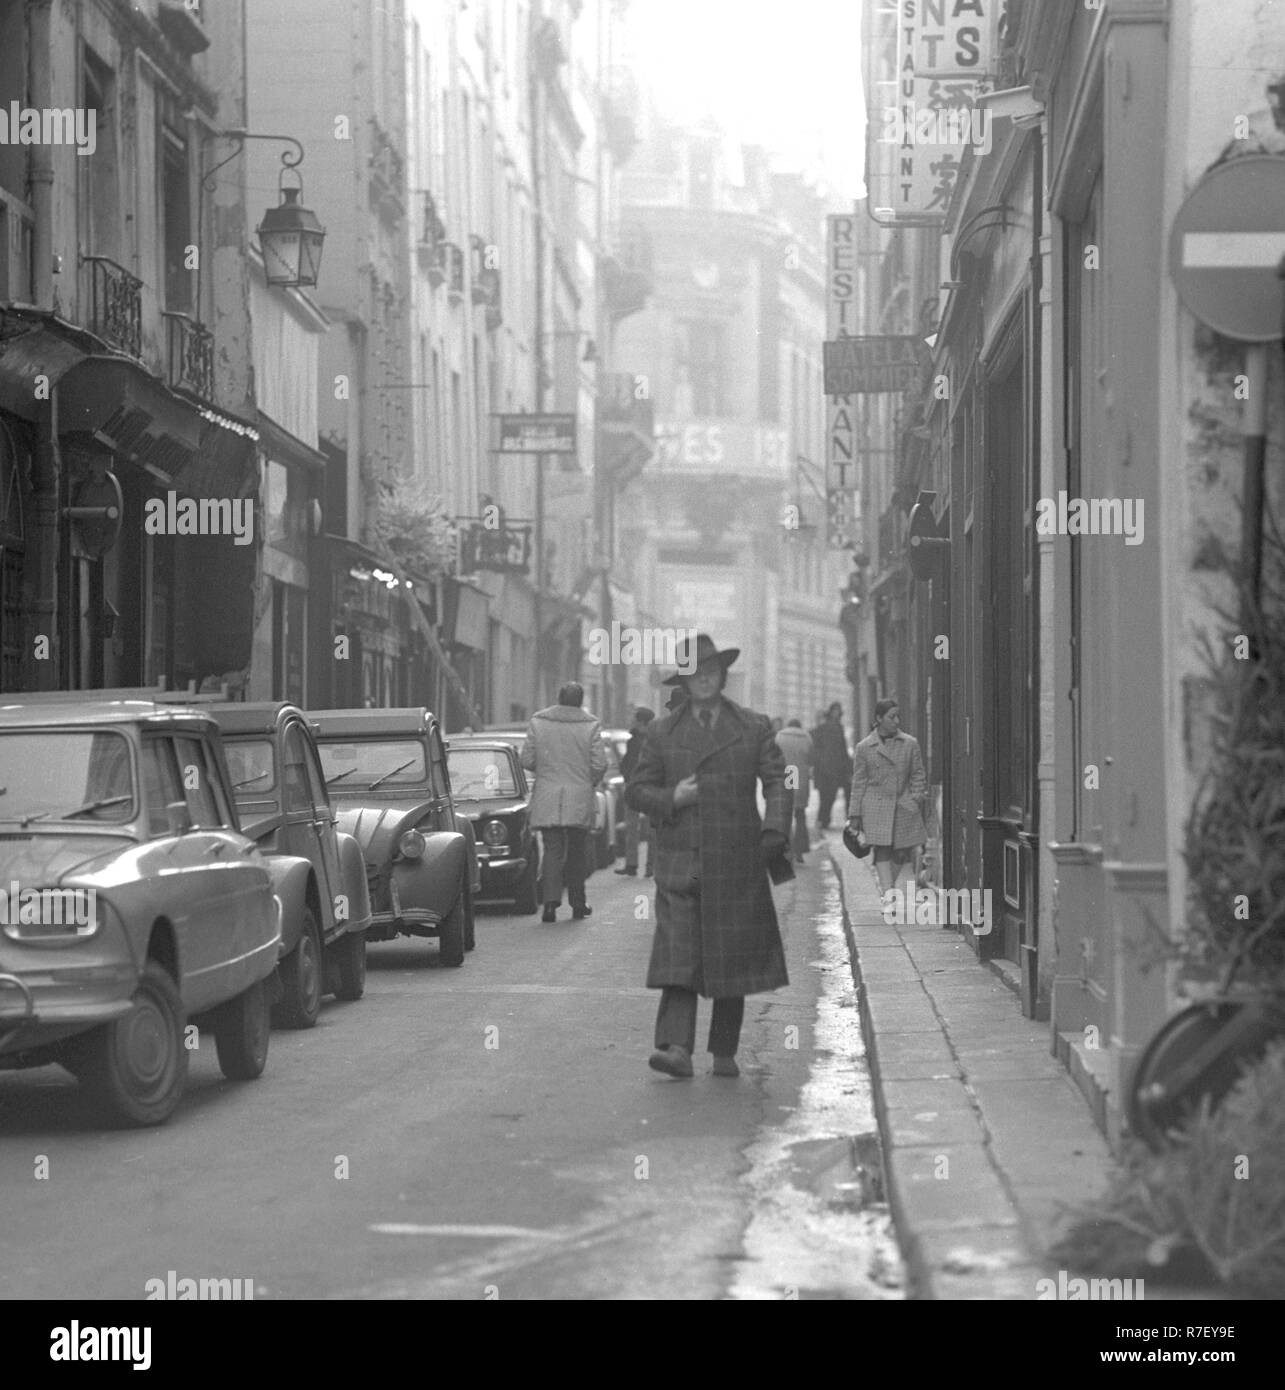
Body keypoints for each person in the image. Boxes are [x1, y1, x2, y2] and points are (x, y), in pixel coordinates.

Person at [627, 633, 792, 1080]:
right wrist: (672, 798)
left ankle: (724, 1051)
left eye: (711, 672)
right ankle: (676, 1049)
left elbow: (778, 781)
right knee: (680, 957)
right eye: (695, 674)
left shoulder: (754, 726)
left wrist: (776, 828)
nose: (704, 680)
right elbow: (637, 791)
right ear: (685, 680)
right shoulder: (662, 732)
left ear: (722, 676)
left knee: (729, 957)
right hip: (682, 862)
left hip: (737, 858)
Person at [521, 681, 607, 923]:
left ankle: (549, 905)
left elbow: (526, 759)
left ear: (558, 698)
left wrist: (546, 771)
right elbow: (600, 763)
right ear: (580, 701)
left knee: (552, 851)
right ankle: (578, 904)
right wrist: (588, 781)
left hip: (548, 795)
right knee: (578, 851)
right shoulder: (590, 725)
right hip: (578, 796)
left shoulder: (539, 722)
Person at [846, 698, 928, 909]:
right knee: (882, 850)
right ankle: (889, 897)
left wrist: (916, 798)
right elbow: (859, 783)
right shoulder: (864, 747)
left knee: (901, 852)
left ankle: (887, 889)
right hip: (875, 806)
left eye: (898, 716)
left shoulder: (910, 743)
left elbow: (918, 774)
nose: (896, 721)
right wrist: (854, 815)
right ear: (879, 719)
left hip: (903, 805)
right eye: (891, 717)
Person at [615, 706, 656, 877]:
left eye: (634, 718)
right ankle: (650, 866)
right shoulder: (655, 739)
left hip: (635, 786)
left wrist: (626, 776)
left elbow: (629, 763)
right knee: (652, 827)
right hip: (650, 786)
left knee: (632, 826)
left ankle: (632, 865)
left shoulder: (636, 741)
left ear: (641, 721)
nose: (632, 720)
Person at [774, 718, 813, 864]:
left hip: (785, 778)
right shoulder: (807, 738)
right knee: (800, 815)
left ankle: (786, 850)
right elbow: (811, 759)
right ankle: (800, 850)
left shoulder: (779, 737)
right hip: (801, 779)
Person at [810, 701, 852, 830]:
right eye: (834, 710)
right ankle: (823, 820)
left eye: (838, 711)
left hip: (835, 768)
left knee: (830, 794)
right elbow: (815, 747)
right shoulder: (822, 728)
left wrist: (848, 764)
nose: (836, 713)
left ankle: (824, 820)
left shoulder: (838, 728)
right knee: (826, 795)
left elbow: (842, 749)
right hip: (825, 768)